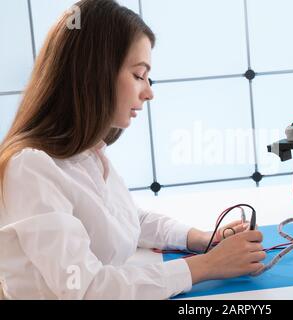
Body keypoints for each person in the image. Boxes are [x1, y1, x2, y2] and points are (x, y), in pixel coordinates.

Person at [0, 0, 265, 300]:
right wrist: (205, 266)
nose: (149, 92)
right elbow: (86, 289)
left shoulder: (87, 155)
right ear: (92, 74)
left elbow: (128, 220)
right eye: (139, 75)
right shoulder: (31, 169)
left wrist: (201, 238)